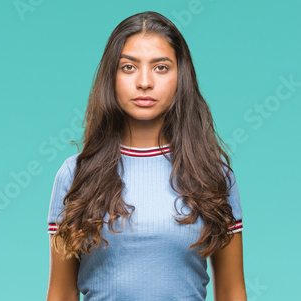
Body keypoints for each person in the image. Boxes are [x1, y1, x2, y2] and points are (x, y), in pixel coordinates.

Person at [46, 11, 246, 301]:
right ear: (111, 77)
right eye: (128, 67)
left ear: (181, 76)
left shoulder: (213, 175)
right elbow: (61, 293)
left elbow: (231, 292)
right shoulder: (75, 175)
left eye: (161, 67)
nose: (144, 82)